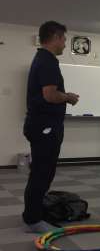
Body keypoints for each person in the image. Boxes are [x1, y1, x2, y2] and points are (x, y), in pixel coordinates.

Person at [23, 21, 79, 233]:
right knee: (42, 173)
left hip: (41, 125)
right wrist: (68, 97)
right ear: (55, 37)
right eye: (64, 39)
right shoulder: (48, 61)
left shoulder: (42, 59)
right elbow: (50, 95)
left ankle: (34, 213)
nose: (64, 44)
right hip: (44, 127)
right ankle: (33, 220)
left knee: (42, 172)